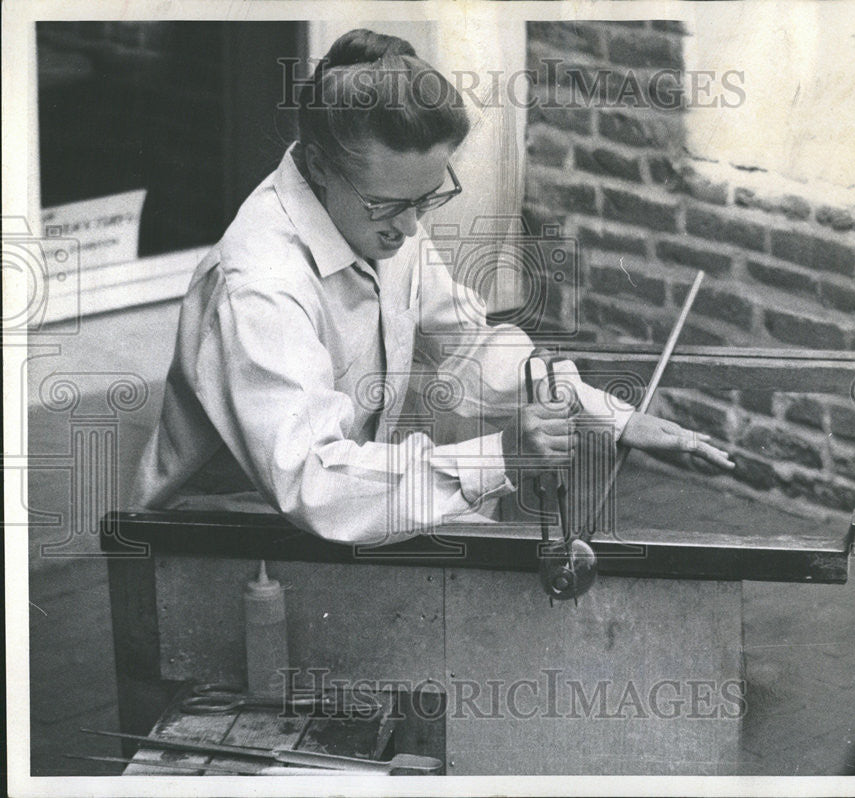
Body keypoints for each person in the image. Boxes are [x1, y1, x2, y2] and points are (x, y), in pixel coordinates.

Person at [131, 28, 734, 544]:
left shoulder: (378, 214)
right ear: (319, 168)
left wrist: (603, 414)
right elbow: (315, 484)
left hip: (337, 514)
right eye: (391, 206)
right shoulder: (259, 285)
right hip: (223, 537)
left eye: (427, 199)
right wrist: (500, 454)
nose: (412, 227)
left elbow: (467, 345)